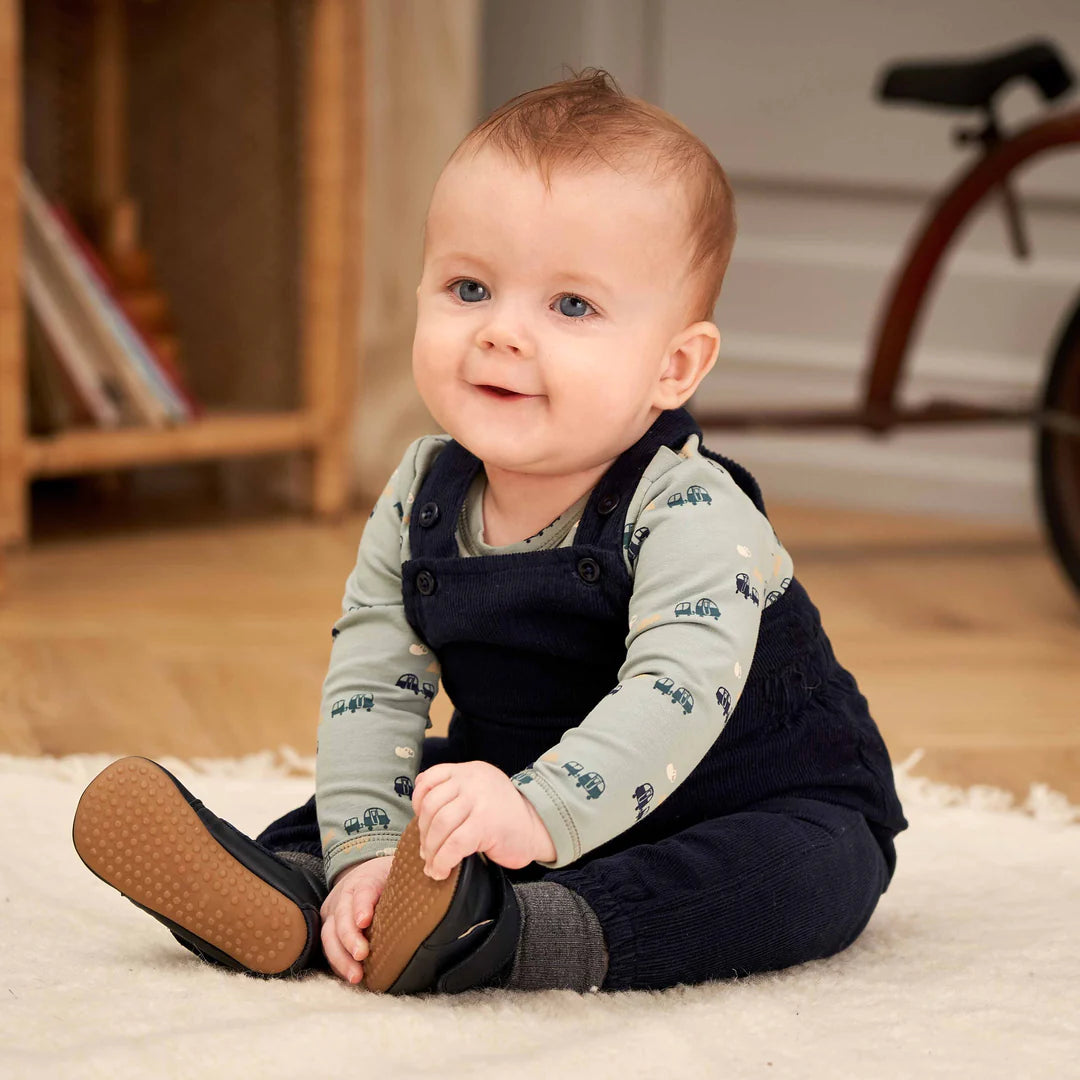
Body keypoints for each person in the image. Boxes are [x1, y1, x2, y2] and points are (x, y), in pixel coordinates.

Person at [73, 68, 907, 996]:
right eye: (469, 287)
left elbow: (673, 692)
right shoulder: (422, 493)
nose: (502, 333)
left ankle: (511, 932)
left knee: (794, 871)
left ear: (675, 366)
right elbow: (371, 683)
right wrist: (368, 845)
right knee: (404, 787)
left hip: (745, 793)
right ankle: (302, 894)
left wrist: (538, 813)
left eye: (572, 305)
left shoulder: (693, 509)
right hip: (515, 781)